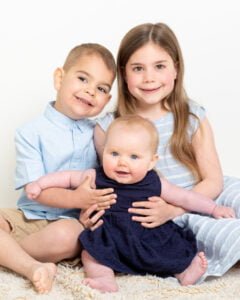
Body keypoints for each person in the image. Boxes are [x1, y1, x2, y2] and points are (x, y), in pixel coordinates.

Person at [92, 22, 240, 283]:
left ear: (175, 70)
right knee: (229, 232)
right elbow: (108, 184)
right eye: (138, 68)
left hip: (200, 195)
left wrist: (175, 206)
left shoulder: (191, 116)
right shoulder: (108, 127)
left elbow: (214, 180)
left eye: (159, 66)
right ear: (124, 73)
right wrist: (171, 213)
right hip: (164, 214)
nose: (149, 78)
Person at [26, 115, 235, 293]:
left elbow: (186, 198)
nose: (122, 162)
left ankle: (184, 272)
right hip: (109, 237)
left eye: (134, 156)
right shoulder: (95, 176)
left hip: (149, 236)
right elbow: (67, 178)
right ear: (104, 151)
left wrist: (214, 208)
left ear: (151, 161)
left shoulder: (155, 182)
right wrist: (39, 184)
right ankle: (104, 279)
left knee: (173, 250)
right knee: (91, 253)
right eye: (114, 153)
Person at [0, 43, 117, 293]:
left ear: (106, 100)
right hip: (29, 215)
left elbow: (117, 172)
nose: (90, 91)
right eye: (83, 78)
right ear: (59, 78)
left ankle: (9, 253)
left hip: (72, 222)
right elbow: (37, 190)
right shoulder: (30, 132)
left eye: (101, 88)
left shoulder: (100, 133)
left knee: (68, 235)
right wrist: (76, 197)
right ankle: (32, 266)